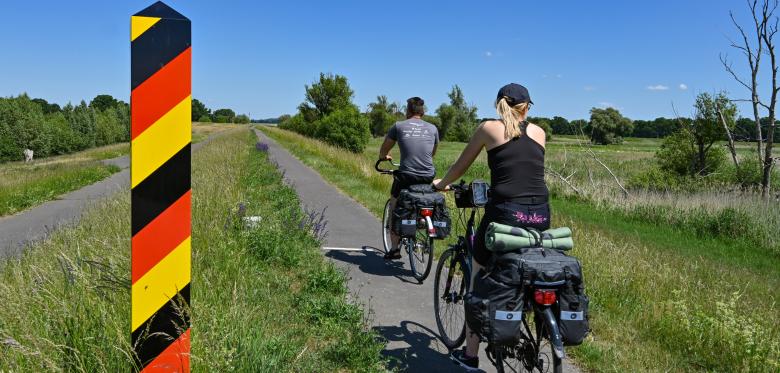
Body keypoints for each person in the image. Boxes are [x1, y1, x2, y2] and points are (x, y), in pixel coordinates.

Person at [433, 83, 550, 371]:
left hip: (505, 215)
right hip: (540, 216)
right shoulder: (539, 133)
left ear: (498, 103)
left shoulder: (488, 128)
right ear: (527, 107)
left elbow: (461, 164)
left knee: (478, 275)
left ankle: (470, 355)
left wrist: (443, 184)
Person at [378, 96, 439, 260]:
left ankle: (395, 249)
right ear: (422, 112)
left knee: (394, 203)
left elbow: (383, 151)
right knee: (423, 197)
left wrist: (385, 157)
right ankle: (421, 221)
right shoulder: (433, 128)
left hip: (406, 175)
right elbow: (432, 153)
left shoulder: (398, 126)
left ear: (408, 111)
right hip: (428, 174)